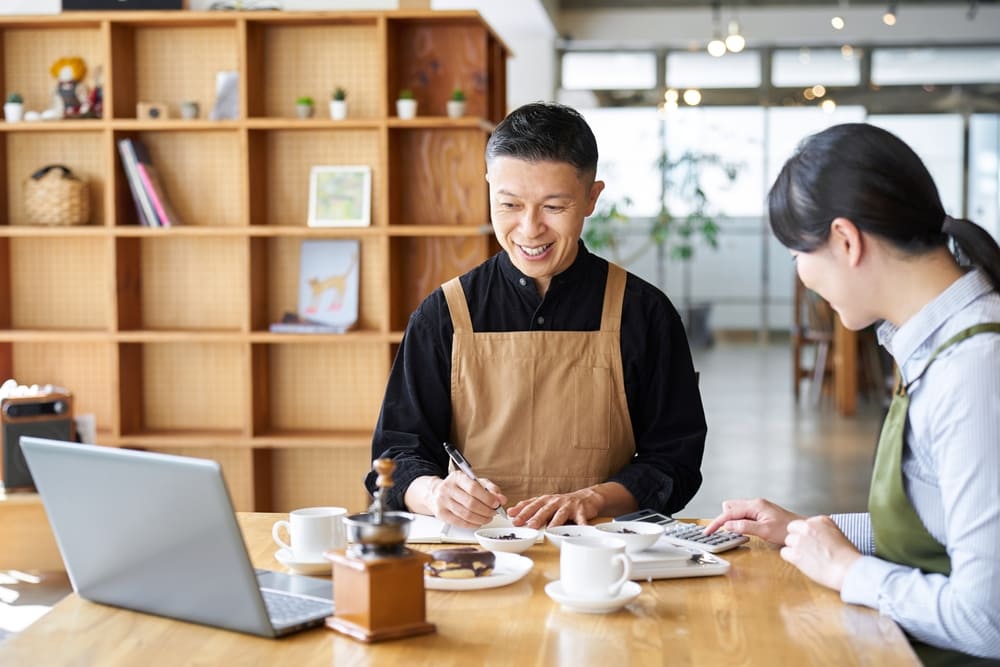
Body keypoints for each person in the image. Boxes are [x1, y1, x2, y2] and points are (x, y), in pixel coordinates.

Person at [704, 122, 1000, 664]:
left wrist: (846, 569)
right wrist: (805, 531)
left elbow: (988, 620)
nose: (800, 272)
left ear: (846, 240)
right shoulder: (938, 343)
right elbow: (943, 520)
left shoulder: (974, 368)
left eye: (797, 253)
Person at [364, 102, 706, 530]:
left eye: (553, 208)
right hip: (476, 554)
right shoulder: (445, 313)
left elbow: (676, 461)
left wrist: (594, 498)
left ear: (591, 198)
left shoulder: (645, 313)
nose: (529, 229)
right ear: (488, 189)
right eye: (509, 205)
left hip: (601, 551)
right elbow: (395, 455)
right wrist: (435, 494)